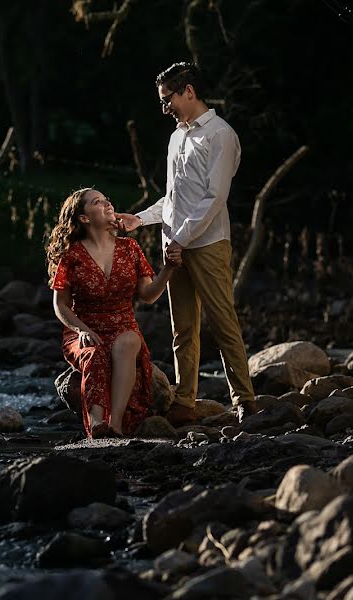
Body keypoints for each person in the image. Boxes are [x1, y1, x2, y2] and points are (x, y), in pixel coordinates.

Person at [116, 62, 257, 424]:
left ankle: (245, 402)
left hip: (207, 243)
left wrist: (180, 238)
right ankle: (185, 402)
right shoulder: (176, 137)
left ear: (189, 91)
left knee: (223, 322)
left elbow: (214, 197)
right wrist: (140, 219)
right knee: (183, 328)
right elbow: (173, 198)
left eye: (168, 99)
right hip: (174, 245)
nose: (165, 108)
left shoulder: (220, 134)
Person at [47, 187, 178, 438]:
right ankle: (97, 427)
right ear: (84, 218)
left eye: (107, 200)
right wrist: (81, 330)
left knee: (129, 340)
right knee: (94, 353)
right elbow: (60, 305)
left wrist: (168, 269)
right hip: (85, 329)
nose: (107, 204)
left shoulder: (130, 248)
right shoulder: (71, 255)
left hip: (122, 325)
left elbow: (148, 295)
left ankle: (115, 426)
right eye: (97, 202)